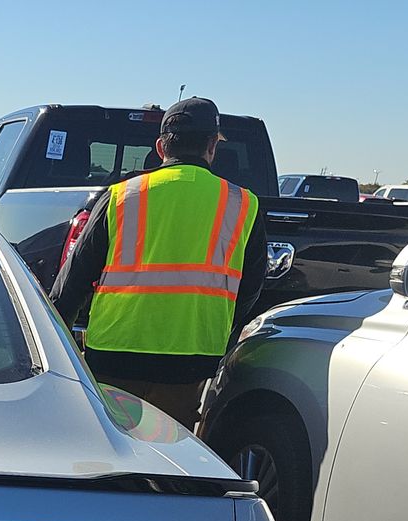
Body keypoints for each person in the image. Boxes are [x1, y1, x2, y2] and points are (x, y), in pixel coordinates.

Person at [49, 97, 266, 430]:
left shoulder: (122, 196)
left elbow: (73, 281)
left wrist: (57, 345)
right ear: (212, 145)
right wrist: (218, 330)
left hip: (113, 355)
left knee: (111, 450)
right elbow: (250, 287)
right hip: (189, 362)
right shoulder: (242, 204)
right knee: (168, 457)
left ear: (161, 146)